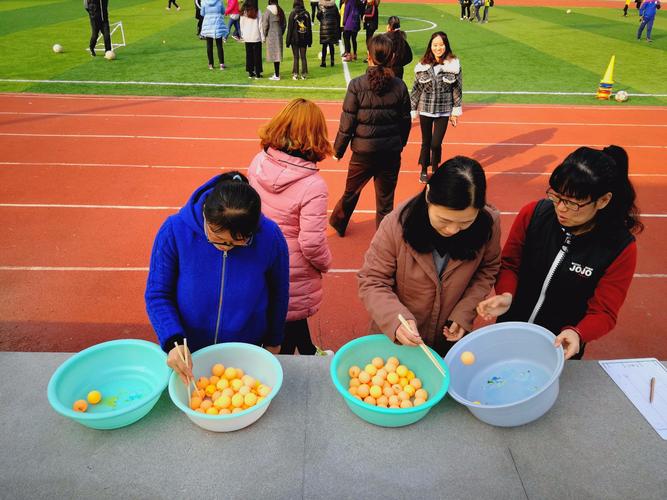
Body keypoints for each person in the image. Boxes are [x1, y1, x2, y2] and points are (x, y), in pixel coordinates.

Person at [477, 146, 642, 360]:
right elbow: (510, 264)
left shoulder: (619, 247)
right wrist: (507, 294)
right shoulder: (534, 214)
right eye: (557, 197)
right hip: (512, 330)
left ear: (603, 200)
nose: (561, 209)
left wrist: (578, 333)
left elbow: (604, 312)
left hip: (559, 346)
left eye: (573, 203)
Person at [145, 172, 290, 384]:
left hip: (245, 350)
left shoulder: (270, 237)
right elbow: (158, 294)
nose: (224, 246)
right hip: (190, 350)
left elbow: (279, 292)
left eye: (235, 243)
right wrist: (173, 341)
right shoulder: (175, 231)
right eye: (216, 237)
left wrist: (274, 340)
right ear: (205, 214)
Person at [358, 156, 501, 356]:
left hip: (448, 342)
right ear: (428, 194)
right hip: (397, 341)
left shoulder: (488, 225)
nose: (452, 229)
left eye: (465, 222)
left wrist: (465, 313)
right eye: (444, 219)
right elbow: (372, 280)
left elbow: (488, 269)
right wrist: (395, 320)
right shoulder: (396, 225)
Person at [247, 99, 333, 355]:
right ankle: (287, 371)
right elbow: (312, 243)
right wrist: (325, 263)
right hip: (293, 267)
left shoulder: (259, 161)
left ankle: (308, 351)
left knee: (288, 316)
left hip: (261, 255)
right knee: (286, 322)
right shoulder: (313, 185)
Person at [329, 34, 411, 235]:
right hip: (390, 152)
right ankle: (383, 238)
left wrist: (338, 150)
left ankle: (339, 223)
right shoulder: (399, 85)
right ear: (391, 57)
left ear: (369, 56)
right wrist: (400, 143)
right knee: (385, 201)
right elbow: (405, 121)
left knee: (351, 192)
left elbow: (347, 121)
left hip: (363, 152)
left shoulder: (357, 85)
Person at [411, 31, 463, 184]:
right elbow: (416, 89)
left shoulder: (453, 65)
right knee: (426, 142)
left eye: (441, 45)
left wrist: (455, 112)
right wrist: (412, 109)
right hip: (426, 108)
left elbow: (457, 89)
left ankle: (435, 168)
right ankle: (424, 169)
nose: (438, 48)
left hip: (444, 110)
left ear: (446, 46)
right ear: (430, 46)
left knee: (436, 143)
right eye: (435, 45)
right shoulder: (422, 65)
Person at [286, 0, 312, 80]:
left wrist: (288, 41)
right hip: (304, 39)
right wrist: (310, 41)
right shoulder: (306, 14)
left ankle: (295, 74)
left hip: (295, 39)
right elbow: (309, 29)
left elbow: (290, 28)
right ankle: (304, 74)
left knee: (296, 57)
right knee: (303, 57)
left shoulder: (292, 13)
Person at [200, 0, 229, 70]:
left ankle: (211, 64)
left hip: (208, 24)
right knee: (219, 45)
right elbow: (223, 11)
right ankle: (221, 64)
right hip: (217, 23)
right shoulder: (219, 1)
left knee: (209, 45)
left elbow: (202, 13)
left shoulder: (204, 2)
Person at [263, 0, 287, 80]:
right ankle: (277, 73)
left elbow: (265, 25)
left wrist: (265, 34)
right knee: (277, 55)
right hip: (278, 34)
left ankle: (276, 75)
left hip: (271, 35)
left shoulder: (268, 11)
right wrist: (281, 32)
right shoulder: (280, 10)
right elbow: (284, 23)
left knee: (274, 55)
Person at [241, 0, 264, 78]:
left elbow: (241, 24)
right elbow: (261, 25)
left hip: (247, 36)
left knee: (249, 55)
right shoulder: (257, 11)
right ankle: (257, 73)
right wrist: (263, 37)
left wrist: (243, 35)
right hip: (256, 36)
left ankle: (250, 72)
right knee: (257, 56)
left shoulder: (244, 11)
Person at [385, 16, 412, 80]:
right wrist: (399, 64)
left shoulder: (384, 38)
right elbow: (409, 57)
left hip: (385, 71)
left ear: (388, 26)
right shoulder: (402, 39)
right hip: (398, 72)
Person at [317, 0, 341, 68]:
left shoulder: (322, 7)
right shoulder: (334, 6)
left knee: (324, 46)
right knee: (331, 45)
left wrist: (323, 21)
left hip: (324, 28)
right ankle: (332, 61)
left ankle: (323, 62)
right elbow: (338, 17)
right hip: (333, 28)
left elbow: (318, 16)